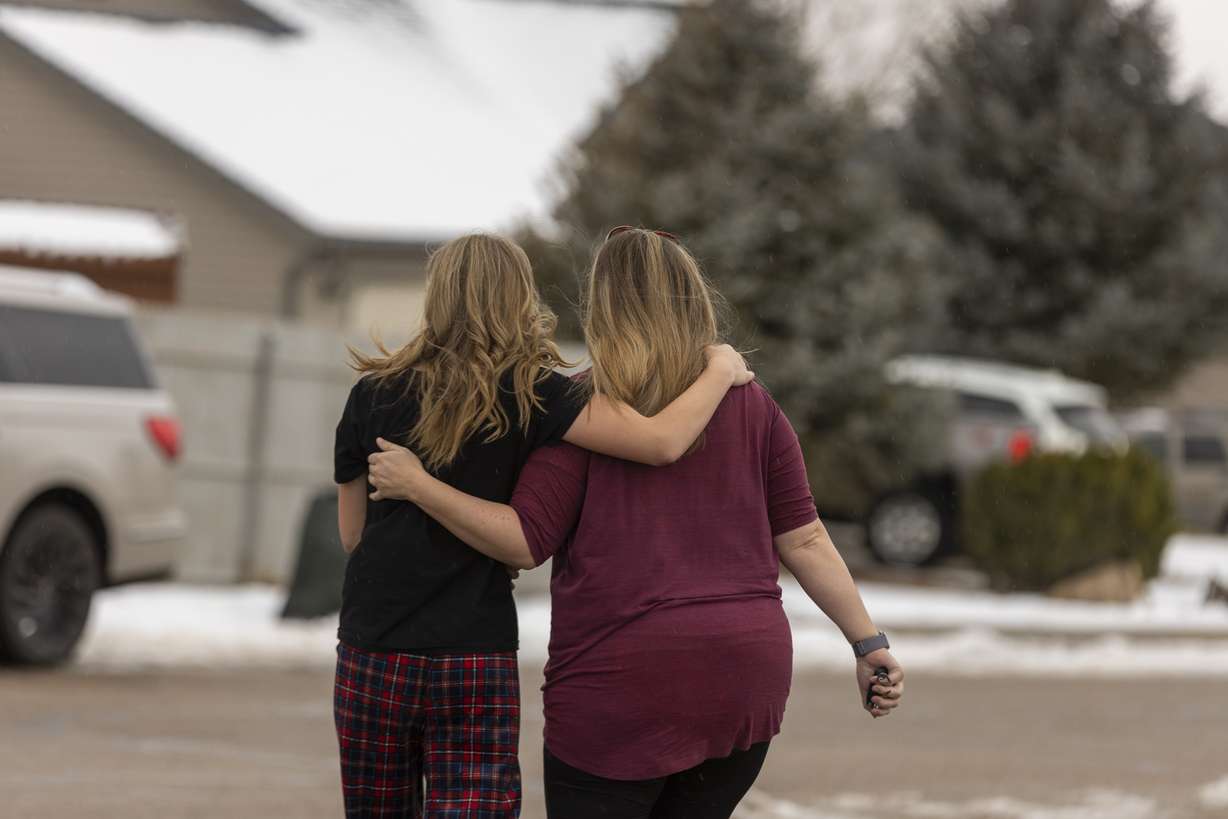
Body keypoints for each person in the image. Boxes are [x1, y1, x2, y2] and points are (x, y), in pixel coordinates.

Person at [367, 227, 905, 819]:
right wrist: (867, 641)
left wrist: (421, 488)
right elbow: (804, 537)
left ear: (605, 308)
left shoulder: (581, 412)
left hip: (618, 686)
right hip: (741, 680)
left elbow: (523, 541)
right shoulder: (752, 404)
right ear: (693, 299)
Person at [331, 233, 753, 818]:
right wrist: (720, 367)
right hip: (472, 651)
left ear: (439, 296)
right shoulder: (537, 392)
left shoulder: (371, 394)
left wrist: (415, 489)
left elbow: (353, 535)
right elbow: (661, 443)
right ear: (519, 296)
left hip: (374, 649)